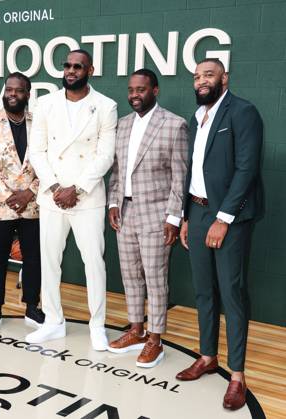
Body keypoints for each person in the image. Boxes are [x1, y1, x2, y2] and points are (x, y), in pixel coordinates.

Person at [176, 58, 263, 411]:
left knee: (232, 292)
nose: (201, 81)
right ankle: (208, 355)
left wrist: (223, 218)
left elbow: (246, 169)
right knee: (203, 290)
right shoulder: (197, 117)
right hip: (196, 212)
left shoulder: (243, 112)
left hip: (229, 216)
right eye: (197, 77)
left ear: (224, 78)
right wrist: (185, 216)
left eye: (208, 75)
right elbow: (194, 171)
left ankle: (238, 376)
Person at [26, 49, 117, 350]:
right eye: (67, 66)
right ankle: (53, 321)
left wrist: (75, 189)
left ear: (90, 70)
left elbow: (105, 155)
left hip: (87, 197)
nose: (71, 71)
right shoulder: (45, 103)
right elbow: (37, 150)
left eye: (78, 66)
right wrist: (55, 187)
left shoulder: (106, 106)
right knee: (49, 260)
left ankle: (97, 325)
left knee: (94, 262)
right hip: (52, 196)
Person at [107, 69, 188, 367]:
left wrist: (173, 218)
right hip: (125, 213)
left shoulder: (174, 125)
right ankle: (136, 330)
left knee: (155, 278)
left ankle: (155, 339)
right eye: (131, 89)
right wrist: (112, 203)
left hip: (156, 214)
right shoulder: (122, 125)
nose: (134, 95)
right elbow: (117, 171)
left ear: (155, 90)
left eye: (140, 89)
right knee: (129, 275)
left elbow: (180, 178)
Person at [0, 72, 44, 332]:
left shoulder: (40, 123)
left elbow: (49, 164)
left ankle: (32, 306)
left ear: (28, 94)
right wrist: (8, 196)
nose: (12, 94)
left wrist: (30, 192)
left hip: (32, 205)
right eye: (9, 89)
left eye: (19, 90)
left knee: (34, 258)